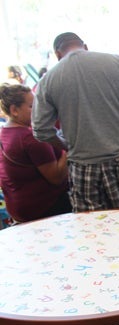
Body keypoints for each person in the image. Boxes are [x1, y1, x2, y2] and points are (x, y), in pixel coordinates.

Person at [32, 32, 119, 212]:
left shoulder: (48, 80)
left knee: (92, 229)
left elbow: (40, 130)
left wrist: (66, 145)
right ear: (86, 47)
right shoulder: (114, 62)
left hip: (82, 168)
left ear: (58, 55)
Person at [0, 83, 71, 222]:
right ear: (14, 110)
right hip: (43, 209)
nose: (38, 110)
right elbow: (56, 177)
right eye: (32, 107)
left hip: (19, 208)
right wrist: (70, 147)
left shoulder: (5, 131)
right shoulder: (30, 137)